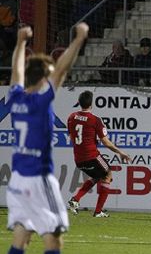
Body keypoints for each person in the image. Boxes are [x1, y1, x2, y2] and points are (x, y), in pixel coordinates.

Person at [6, 23, 89, 254]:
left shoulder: (15, 99)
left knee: (21, 234)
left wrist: (21, 42)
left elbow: (16, 73)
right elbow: (61, 70)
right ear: (44, 78)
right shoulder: (41, 103)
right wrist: (79, 39)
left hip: (18, 180)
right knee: (53, 238)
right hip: (38, 179)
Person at [67, 90, 131, 217]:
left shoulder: (71, 117)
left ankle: (75, 200)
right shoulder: (95, 120)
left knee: (98, 176)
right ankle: (98, 211)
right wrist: (121, 153)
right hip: (91, 156)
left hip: (78, 159)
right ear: (91, 104)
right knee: (107, 174)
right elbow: (106, 143)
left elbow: (72, 136)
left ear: (79, 103)